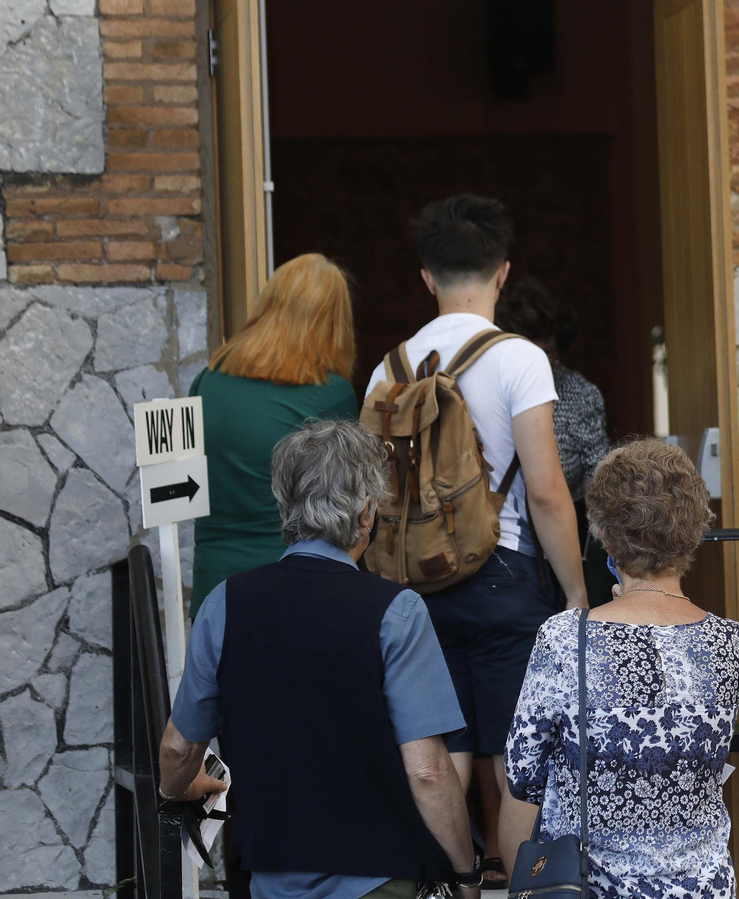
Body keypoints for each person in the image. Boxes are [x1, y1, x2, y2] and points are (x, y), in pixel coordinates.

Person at [158, 420, 482, 899]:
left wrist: (175, 791)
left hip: (268, 876)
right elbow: (428, 771)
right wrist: (466, 873)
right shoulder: (397, 611)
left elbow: (177, 749)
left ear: (285, 506)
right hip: (380, 875)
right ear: (367, 514)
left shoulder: (225, 603)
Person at [365, 194, 588, 888]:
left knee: (447, 748)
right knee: (513, 757)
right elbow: (548, 489)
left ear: (426, 278)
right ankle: (522, 888)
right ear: (502, 273)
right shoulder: (519, 359)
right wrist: (576, 590)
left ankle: (450, 883)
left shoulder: (389, 368)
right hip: (503, 575)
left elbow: (375, 494)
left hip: (416, 587)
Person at [505, 438, 739, 899]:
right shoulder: (728, 640)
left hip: (589, 888)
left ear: (604, 535)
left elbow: (522, 776)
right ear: (694, 530)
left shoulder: (566, 638)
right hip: (705, 887)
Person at [189, 252, 360, 617]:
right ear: (334, 323)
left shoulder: (206, 381)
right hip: (290, 590)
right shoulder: (332, 392)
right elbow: (347, 505)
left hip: (212, 588)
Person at [495, 277, 614, 605]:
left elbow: (597, 478)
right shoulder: (490, 388)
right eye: (528, 353)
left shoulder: (580, 393)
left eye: (547, 352)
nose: (538, 364)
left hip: (563, 544)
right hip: (496, 546)